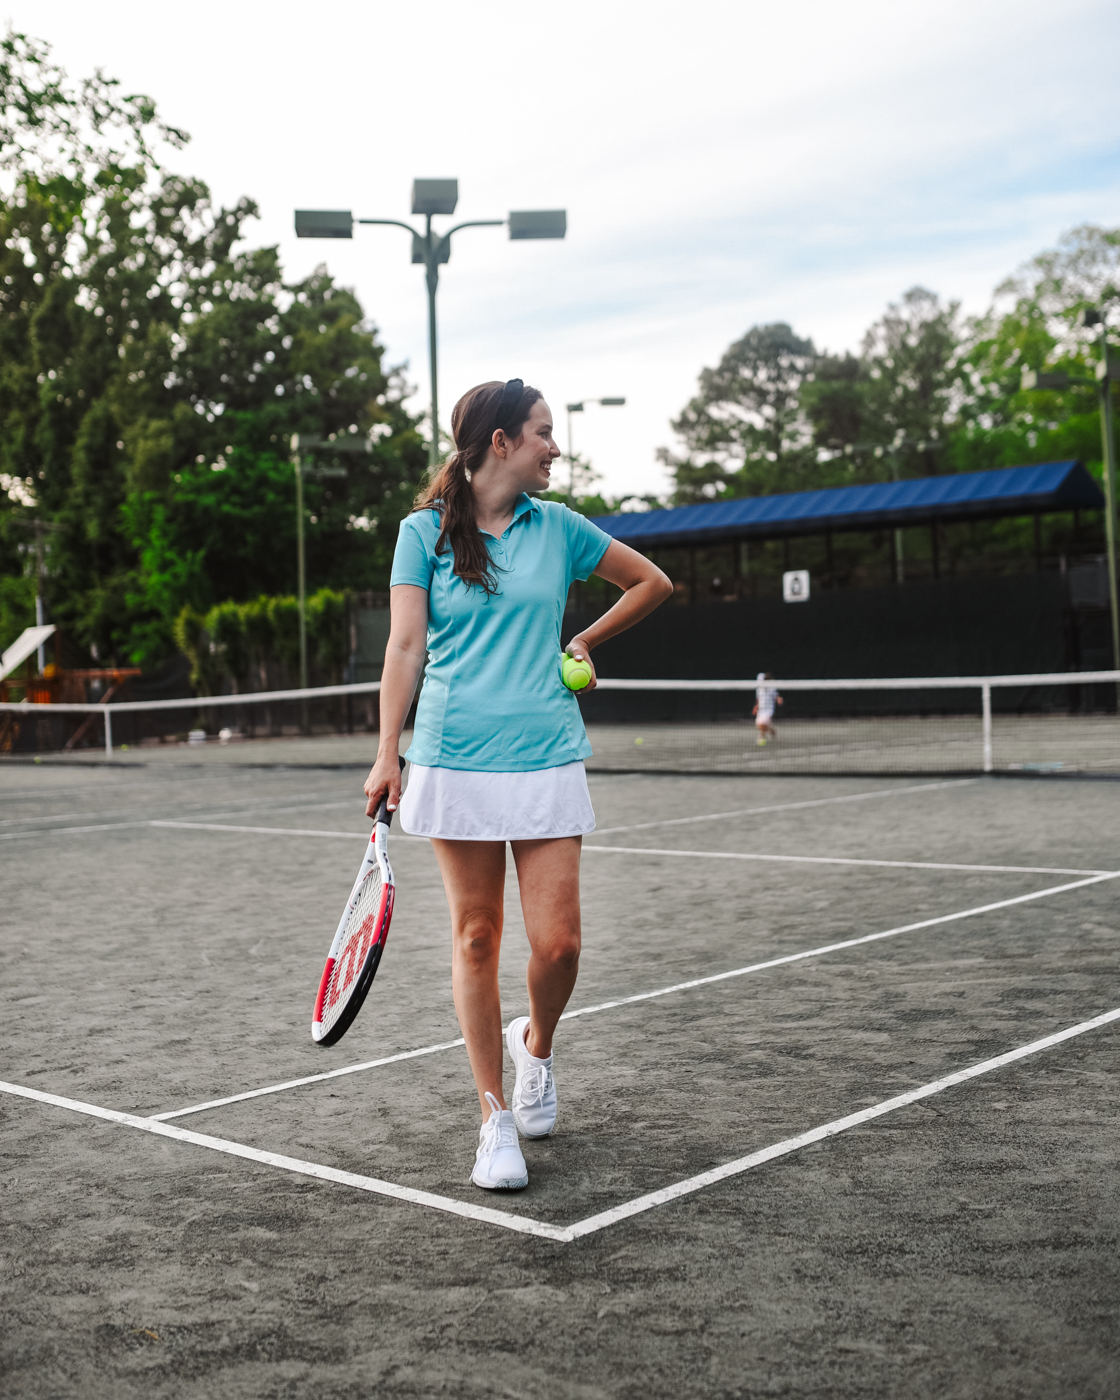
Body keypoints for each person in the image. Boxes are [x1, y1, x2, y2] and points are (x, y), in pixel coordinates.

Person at [362, 379, 672, 1191]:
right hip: (453, 756)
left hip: (544, 756)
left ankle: (535, 1046)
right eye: (542, 433)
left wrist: (586, 634)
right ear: (499, 442)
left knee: (559, 944)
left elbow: (653, 582)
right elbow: (404, 651)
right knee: (475, 937)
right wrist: (387, 752)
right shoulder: (420, 534)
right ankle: (493, 1118)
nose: (554, 448)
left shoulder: (560, 528)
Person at [753, 671, 782, 745]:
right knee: (759, 725)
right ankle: (771, 730)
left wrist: (778, 699)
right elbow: (758, 697)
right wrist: (757, 706)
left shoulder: (772, 688)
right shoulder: (760, 688)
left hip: (769, 708)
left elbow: (776, 695)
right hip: (761, 708)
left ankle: (761, 737)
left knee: (762, 724)